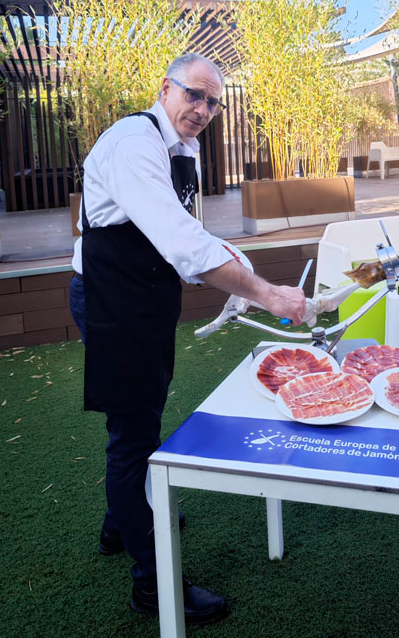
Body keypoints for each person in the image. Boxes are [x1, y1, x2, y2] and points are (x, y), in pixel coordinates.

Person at [68, 52, 306, 623]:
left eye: (213, 102)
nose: (202, 110)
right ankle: (156, 586)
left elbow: (194, 233)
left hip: (145, 297)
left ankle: (118, 527)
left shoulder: (185, 149)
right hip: (111, 297)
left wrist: (239, 265)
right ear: (165, 88)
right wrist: (267, 293)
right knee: (134, 434)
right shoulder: (134, 143)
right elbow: (183, 243)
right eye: (194, 95)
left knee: (141, 415)